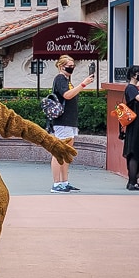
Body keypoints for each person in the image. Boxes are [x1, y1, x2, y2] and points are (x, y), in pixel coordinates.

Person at [50, 54, 94, 193]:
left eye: (73, 66)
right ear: (62, 66)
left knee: (67, 152)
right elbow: (67, 95)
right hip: (62, 122)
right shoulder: (60, 79)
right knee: (59, 151)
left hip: (69, 121)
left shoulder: (67, 80)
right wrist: (83, 84)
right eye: (69, 66)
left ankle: (64, 182)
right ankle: (56, 183)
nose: (71, 68)